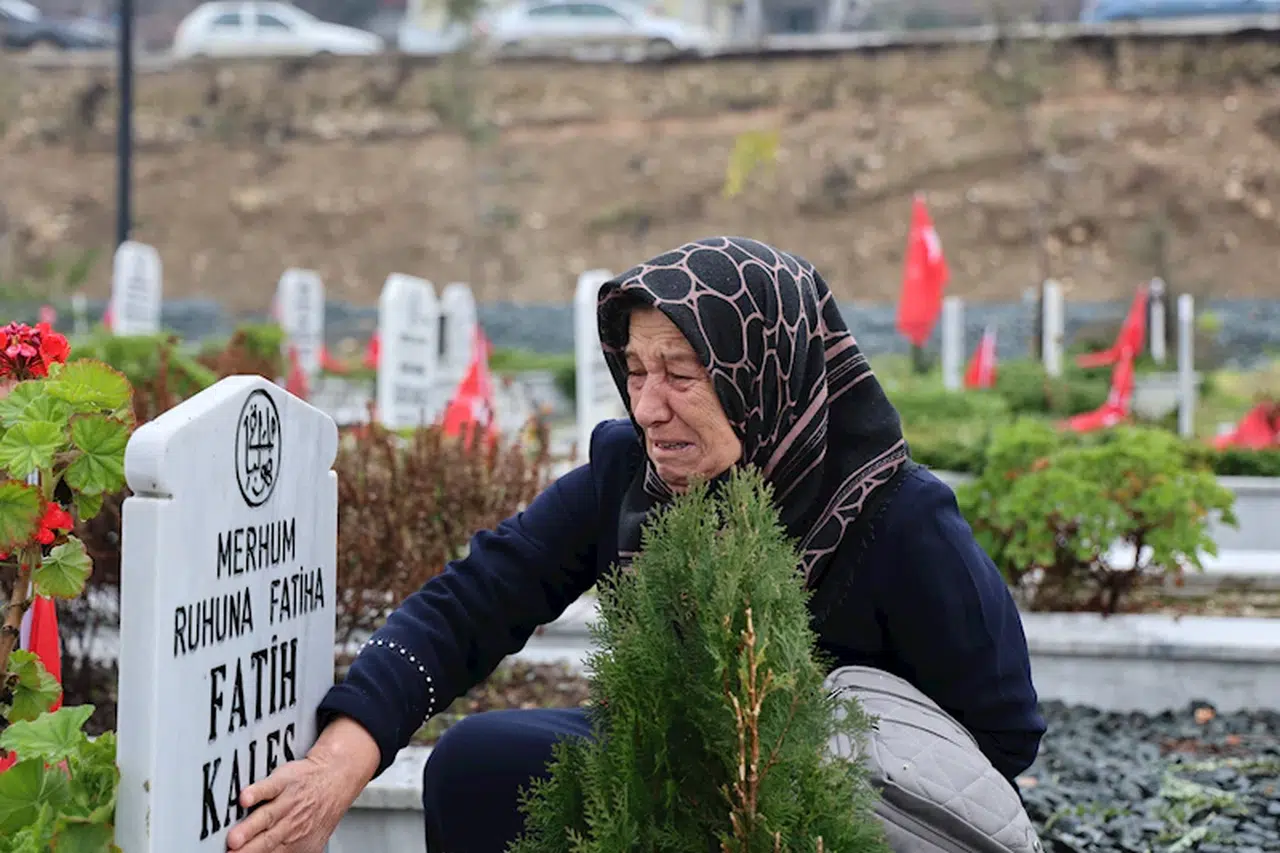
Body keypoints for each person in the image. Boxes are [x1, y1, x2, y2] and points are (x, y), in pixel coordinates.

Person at [225, 236, 1046, 853]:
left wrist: (815, 754)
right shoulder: (631, 476)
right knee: (480, 764)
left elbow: (1003, 734)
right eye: (635, 369)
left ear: (766, 375)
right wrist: (338, 764)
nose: (648, 405)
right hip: (671, 774)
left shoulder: (898, 517)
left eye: (681, 373)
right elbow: (475, 601)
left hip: (833, 814)